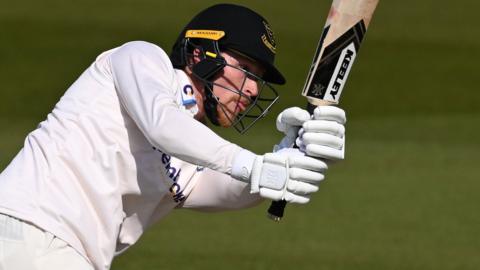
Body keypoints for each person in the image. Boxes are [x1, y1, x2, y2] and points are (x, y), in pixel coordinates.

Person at [0, 3, 346, 270]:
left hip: (61, 253)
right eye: (245, 69)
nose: (253, 89)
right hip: (28, 231)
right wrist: (253, 165)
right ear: (200, 54)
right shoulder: (140, 59)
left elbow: (228, 189)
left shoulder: (188, 155)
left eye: (258, 78)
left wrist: (287, 158)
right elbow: (161, 124)